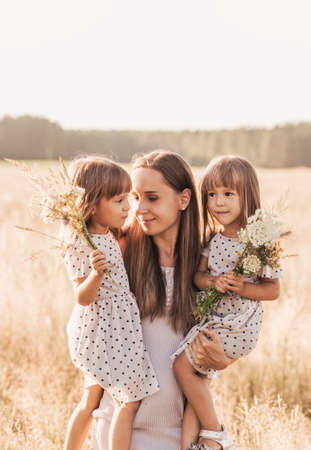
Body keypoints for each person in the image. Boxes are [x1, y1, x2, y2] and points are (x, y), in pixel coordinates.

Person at [93, 151, 234, 450]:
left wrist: (225, 359)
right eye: (135, 197)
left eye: (152, 198)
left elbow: (229, 331)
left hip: (178, 435)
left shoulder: (208, 264)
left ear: (184, 199)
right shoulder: (120, 255)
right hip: (119, 429)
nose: (140, 208)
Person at [171, 155, 282, 450]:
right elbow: (198, 277)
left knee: (183, 368)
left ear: (248, 196)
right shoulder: (213, 240)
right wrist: (212, 282)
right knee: (196, 379)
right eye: (211, 194)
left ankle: (217, 434)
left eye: (228, 194)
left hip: (238, 324)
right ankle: (195, 446)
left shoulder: (259, 245)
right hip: (215, 319)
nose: (218, 202)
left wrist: (243, 287)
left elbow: (273, 291)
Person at [63, 156, 160, 450]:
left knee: (93, 398)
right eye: (119, 201)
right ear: (92, 205)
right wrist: (95, 273)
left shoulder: (107, 233)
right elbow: (83, 297)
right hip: (104, 331)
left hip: (118, 326)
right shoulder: (81, 242)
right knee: (128, 398)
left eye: (126, 199)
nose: (127, 208)